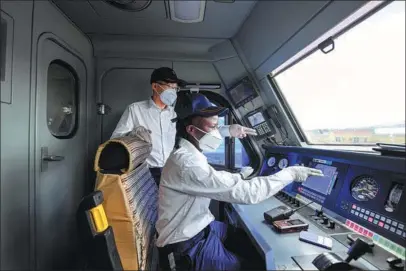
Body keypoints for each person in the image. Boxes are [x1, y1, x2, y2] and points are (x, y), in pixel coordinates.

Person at [155, 93, 324, 270]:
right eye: (213, 127)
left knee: (246, 241)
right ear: (190, 130)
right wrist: (290, 174)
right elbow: (249, 193)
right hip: (185, 245)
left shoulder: (188, 150)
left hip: (202, 228)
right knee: (249, 267)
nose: (216, 131)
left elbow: (213, 176)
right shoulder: (187, 163)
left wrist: (229, 135)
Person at [111, 67, 257, 186]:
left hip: (171, 168)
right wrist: (135, 138)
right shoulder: (135, 110)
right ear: (155, 86)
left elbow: (198, 131)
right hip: (147, 171)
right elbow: (116, 140)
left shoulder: (175, 112)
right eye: (170, 86)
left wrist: (229, 130)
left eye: (175, 88)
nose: (173, 91)